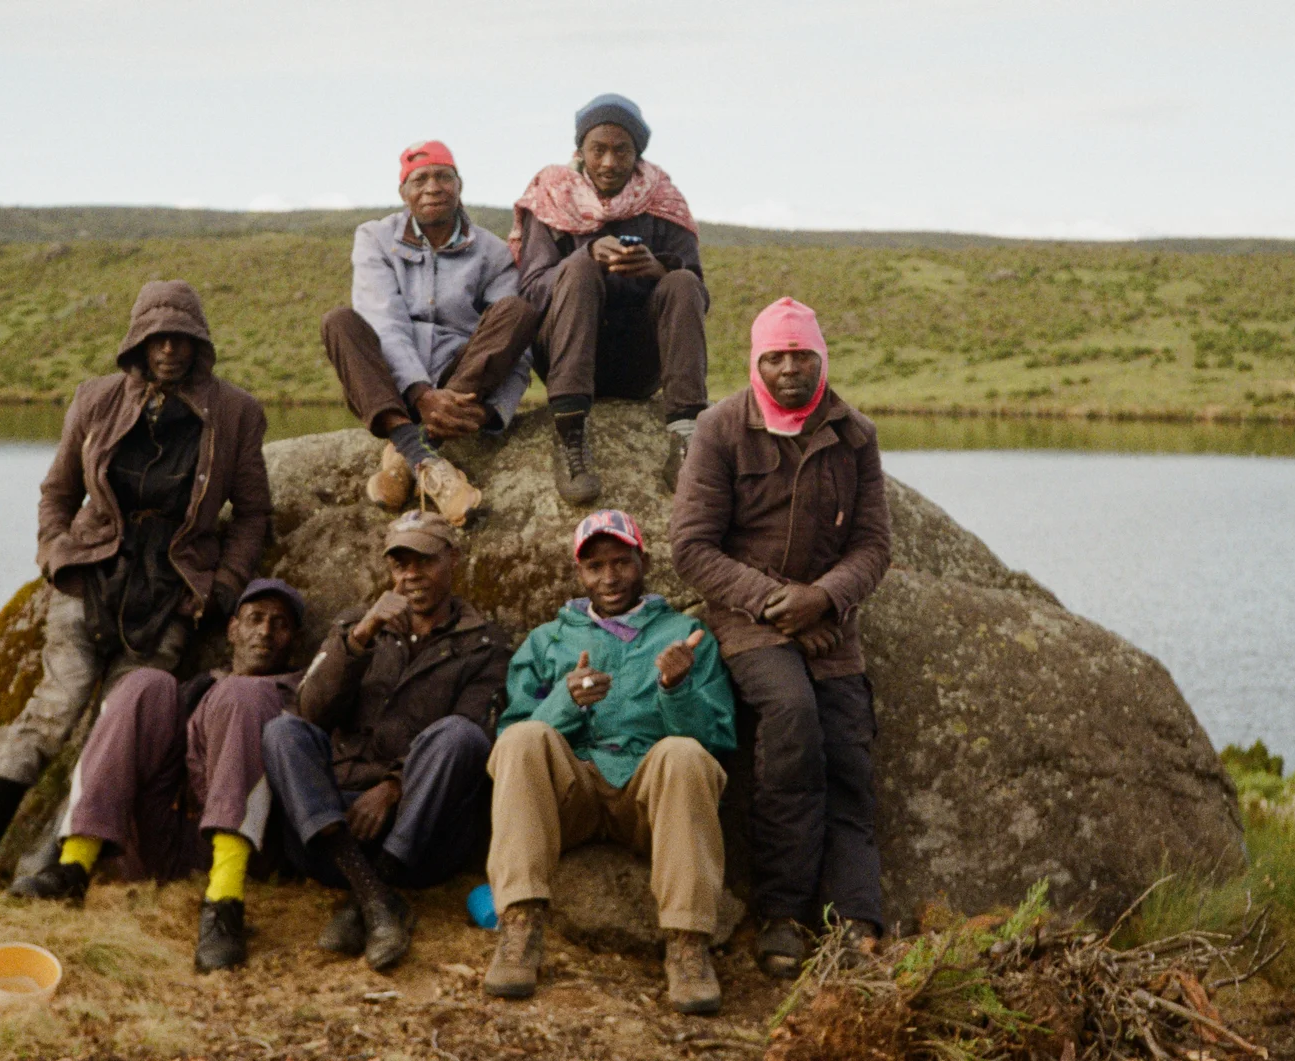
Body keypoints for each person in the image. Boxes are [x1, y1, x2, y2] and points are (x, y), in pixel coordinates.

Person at [0, 280, 273, 907]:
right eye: (156, 337)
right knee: (53, 710)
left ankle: (50, 863)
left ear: (201, 343)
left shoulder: (236, 414)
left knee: (112, 730)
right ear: (137, 343)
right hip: (90, 579)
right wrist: (55, 553)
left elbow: (253, 514)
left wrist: (223, 586)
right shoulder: (94, 400)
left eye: (182, 337)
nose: (169, 349)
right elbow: (57, 491)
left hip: (170, 596)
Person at [670, 297, 892, 978]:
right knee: (792, 717)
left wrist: (822, 598)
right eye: (777, 355)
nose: (790, 367)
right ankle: (783, 914)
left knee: (848, 750)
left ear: (821, 356)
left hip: (829, 624)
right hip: (747, 618)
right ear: (756, 359)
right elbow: (692, 548)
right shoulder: (720, 428)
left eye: (802, 354)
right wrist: (776, 604)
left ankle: (857, 915)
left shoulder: (854, 433)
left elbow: (873, 544)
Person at [485, 510, 736, 1014]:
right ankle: (520, 926)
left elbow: (718, 741)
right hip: (570, 799)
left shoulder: (684, 633)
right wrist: (564, 701)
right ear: (579, 574)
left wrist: (676, 688)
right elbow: (509, 736)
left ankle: (687, 945)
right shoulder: (548, 640)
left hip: (646, 801)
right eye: (595, 566)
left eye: (621, 562)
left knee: (683, 754)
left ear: (642, 561)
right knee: (524, 740)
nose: (609, 577)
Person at [7, 579, 306, 972]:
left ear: (293, 640)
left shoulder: (299, 691)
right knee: (145, 683)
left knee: (245, 694)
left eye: (280, 623)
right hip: (159, 836)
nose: (266, 632)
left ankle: (224, 905)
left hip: (240, 850)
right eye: (255, 619)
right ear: (233, 629)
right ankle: (75, 866)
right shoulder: (200, 686)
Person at [261, 511, 511, 970]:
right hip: (332, 833)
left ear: (453, 558)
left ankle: (377, 889)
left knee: (460, 735)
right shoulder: (356, 624)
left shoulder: (485, 644)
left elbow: (479, 735)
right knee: (282, 731)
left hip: (420, 839)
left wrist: (393, 787)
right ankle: (376, 899)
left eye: (424, 561)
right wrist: (361, 636)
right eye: (400, 564)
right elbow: (310, 710)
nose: (411, 575)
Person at [321, 140, 541, 526]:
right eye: (420, 179)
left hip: (463, 387)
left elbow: (515, 349)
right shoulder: (374, 237)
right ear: (403, 192)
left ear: (459, 185)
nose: (433, 187)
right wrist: (421, 394)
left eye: (444, 176)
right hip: (396, 390)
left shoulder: (493, 252)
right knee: (340, 322)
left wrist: (489, 411)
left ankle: (404, 457)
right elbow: (384, 322)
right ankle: (421, 451)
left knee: (518, 312)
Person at [510, 94, 709, 502]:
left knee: (682, 282)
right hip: (569, 358)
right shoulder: (551, 197)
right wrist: (584, 256)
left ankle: (687, 440)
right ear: (580, 150)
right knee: (580, 268)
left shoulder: (663, 201)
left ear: (637, 154)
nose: (608, 162)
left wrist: (658, 270)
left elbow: (699, 296)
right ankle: (570, 437)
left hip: (638, 364)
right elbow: (530, 290)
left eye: (622, 150)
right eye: (597, 149)